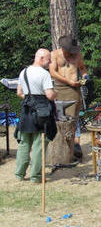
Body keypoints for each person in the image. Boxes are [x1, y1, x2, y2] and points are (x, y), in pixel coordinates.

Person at [15, 49, 57, 183]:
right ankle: (35, 177)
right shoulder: (44, 74)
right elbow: (50, 95)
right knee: (39, 145)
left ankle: (19, 174)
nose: (50, 62)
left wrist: (30, 100)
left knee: (24, 143)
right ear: (42, 58)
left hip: (26, 111)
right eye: (49, 59)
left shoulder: (24, 72)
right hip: (42, 113)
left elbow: (19, 93)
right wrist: (56, 94)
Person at [49, 35, 89, 155]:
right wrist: (68, 81)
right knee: (59, 119)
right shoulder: (54, 54)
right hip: (59, 89)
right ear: (63, 48)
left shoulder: (78, 55)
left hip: (74, 89)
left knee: (73, 119)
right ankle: (60, 147)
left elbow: (82, 68)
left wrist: (85, 76)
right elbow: (52, 72)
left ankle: (75, 145)